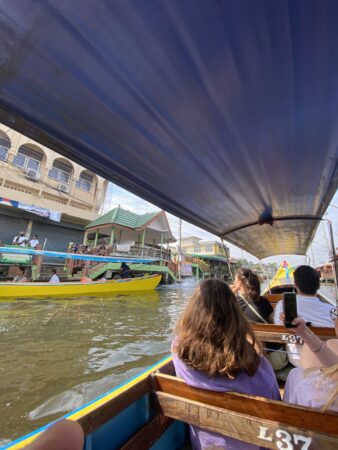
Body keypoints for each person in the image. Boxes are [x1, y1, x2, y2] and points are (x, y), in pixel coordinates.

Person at [172, 279, 280, 450]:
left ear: (192, 312)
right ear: (235, 314)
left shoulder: (179, 350)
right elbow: (275, 412)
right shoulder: (257, 368)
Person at [274, 265, 335, 366]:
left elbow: (278, 327)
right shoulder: (331, 310)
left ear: (295, 285)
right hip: (329, 361)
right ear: (318, 285)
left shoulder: (282, 305)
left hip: (297, 361)